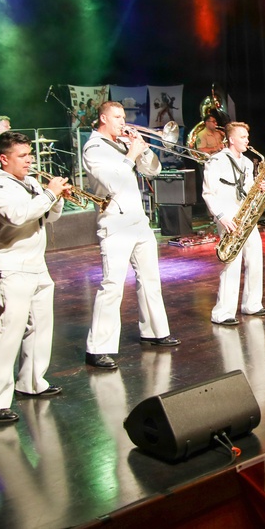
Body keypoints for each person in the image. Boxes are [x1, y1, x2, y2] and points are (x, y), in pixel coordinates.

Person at [0, 131, 69, 423]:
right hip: (10, 265)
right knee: (8, 332)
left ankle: (31, 382)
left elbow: (47, 217)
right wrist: (49, 193)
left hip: (36, 263)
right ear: (4, 158)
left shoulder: (28, 182)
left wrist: (57, 199)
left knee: (40, 326)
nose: (30, 160)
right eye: (23, 156)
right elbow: (17, 216)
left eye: (30, 154)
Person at [82, 101, 179, 370]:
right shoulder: (94, 148)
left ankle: (155, 332)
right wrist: (130, 155)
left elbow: (153, 171)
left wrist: (143, 151)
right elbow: (112, 182)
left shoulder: (122, 142)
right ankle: (98, 348)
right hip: (115, 223)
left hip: (138, 220)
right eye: (117, 117)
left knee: (150, 279)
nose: (123, 121)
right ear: (103, 118)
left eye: (124, 116)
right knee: (112, 285)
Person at [201, 122, 265, 325]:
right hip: (229, 216)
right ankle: (222, 313)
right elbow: (208, 192)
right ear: (231, 139)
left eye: (247, 137)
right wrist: (221, 216)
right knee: (232, 263)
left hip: (246, 215)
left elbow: (247, 189)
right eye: (242, 137)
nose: (247, 141)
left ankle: (252, 304)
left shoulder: (248, 163)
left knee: (255, 258)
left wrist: (258, 188)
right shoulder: (216, 161)